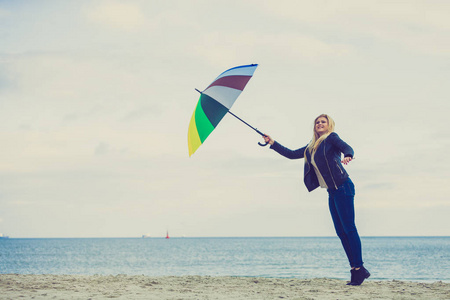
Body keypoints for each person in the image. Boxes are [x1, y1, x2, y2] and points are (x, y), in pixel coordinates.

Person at [263, 114, 370, 286]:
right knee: (341, 232)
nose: (319, 124)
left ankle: (359, 268)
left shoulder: (331, 138)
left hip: (343, 187)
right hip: (332, 192)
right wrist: (272, 143)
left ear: (329, 125)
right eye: (317, 122)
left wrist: (349, 155)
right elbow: (291, 154)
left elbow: (346, 147)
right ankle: (356, 269)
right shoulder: (311, 147)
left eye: (323, 122)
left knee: (349, 228)